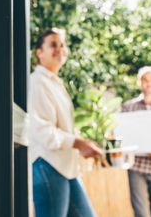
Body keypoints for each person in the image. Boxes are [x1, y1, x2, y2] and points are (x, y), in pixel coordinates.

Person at [28, 29, 103, 217]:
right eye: (53, 44)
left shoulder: (55, 82)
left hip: (66, 167)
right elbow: (42, 130)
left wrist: (85, 144)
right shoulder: (37, 82)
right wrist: (78, 143)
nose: (60, 49)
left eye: (62, 44)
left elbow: (63, 128)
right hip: (47, 164)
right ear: (39, 52)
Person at [122, 66, 151, 217]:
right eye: (144, 80)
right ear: (139, 83)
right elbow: (122, 135)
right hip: (137, 167)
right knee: (140, 213)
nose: (148, 83)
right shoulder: (128, 109)